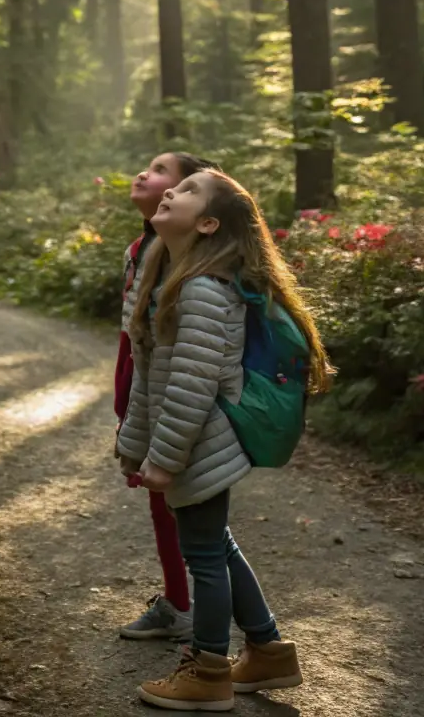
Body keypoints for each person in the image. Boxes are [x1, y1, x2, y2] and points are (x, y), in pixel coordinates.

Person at [118, 170, 330, 711]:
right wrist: (135, 440)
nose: (170, 191)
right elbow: (150, 375)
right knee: (216, 545)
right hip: (190, 441)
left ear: (209, 224)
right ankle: (267, 650)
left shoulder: (205, 289)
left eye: (187, 192)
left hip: (200, 441)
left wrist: (162, 459)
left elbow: (191, 386)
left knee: (206, 556)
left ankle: (208, 670)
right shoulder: (167, 275)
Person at [117, 153, 218, 641]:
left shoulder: (184, 258)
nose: (145, 175)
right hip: (141, 387)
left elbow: (181, 349)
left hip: (172, 394)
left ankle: (194, 614)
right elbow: (131, 338)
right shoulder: (143, 247)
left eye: (162, 173)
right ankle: (179, 602)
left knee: (186, 510)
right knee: (162, 505)